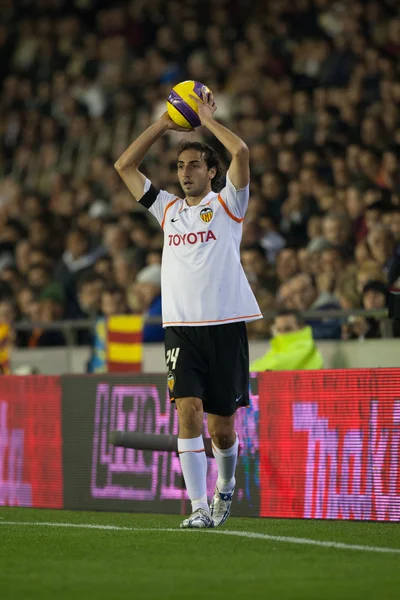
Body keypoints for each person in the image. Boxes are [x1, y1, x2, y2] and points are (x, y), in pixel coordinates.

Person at [115, 89, 261, 529]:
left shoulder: (228, 204)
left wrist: (203, 120)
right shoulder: (168, 209)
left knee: (222, 430)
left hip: (224, 326)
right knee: (188, 412)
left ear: (213, 171)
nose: (185, 173)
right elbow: (124, 166)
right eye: (180, 166)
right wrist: (163, 123)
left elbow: (241, 149)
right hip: (180, 328)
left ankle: (225, 487)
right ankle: (198, 507)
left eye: (194, 164)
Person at [250, 309, 323, 371]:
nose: (282, 334)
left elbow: (276, 366)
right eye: (279, 330)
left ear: (301, 327)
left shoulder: (307, 347)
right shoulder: (278, 347)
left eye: (288, 329)